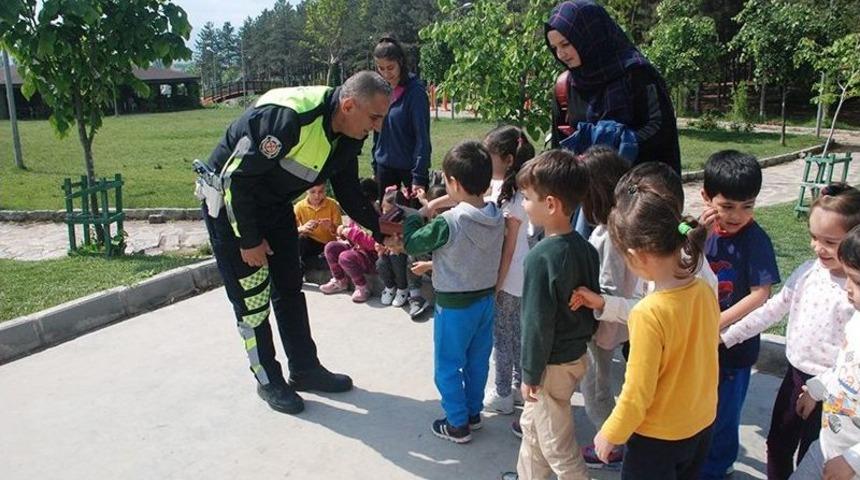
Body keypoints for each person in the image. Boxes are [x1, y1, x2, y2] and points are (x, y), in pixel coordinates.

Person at [201, 71, 391, 415]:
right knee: (252, 300)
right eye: (374, 117)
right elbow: (236, 180)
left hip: (273, 203)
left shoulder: (349, 131)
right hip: (232, 208)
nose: (377, 126)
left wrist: (380, 229)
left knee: (289, 285)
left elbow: (347, 189)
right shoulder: (288, 119)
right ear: (348, 105)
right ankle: (268, 378)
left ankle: (304, 368)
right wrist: (249, 239)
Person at [721, 184, 860, 479]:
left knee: (815, 455)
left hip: (832, 393)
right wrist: (728, 336)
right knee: (778, 444)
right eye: (813, 237)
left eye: (829, 241)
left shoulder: (854, 293)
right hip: (795, 377)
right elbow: (772, 309)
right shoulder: (808, 272)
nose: (817, 247)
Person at [592, 168, 719, 480]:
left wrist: (611, 432)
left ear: (636, 256)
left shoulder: (648, 313)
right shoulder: (703, 289)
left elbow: (637, 392)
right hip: (701, 425)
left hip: (658, 439)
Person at [401, 140, 504, 443]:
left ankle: (457, 424)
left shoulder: (449, 222)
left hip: (454, 307)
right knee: (476, 360)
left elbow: (413, 243)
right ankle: (473, 413)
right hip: (486, 302)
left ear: (453, 183)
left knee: (447, 365)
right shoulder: (496, 214)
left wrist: (413, 216)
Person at [514, 150, 599, 479]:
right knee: (534, 428)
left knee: (558, 447)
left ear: (550, 204)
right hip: (575, 356)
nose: (523, 204)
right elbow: (593, 303)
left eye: (526, 197)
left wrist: (530, 374)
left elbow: (536, 324)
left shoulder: (540, 258)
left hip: (549, 366)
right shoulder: (585, 247)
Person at [698, 151, 781, 479]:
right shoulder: (700, 231)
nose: (737, 215)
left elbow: (761, 294)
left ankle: (717, 469)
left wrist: (718, 322)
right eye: (728, 206)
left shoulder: (755, 240)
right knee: (700, 409)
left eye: (748, 206)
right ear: (707, 197)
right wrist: (698, 239)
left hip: (735, 348)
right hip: (700, 343)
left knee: (724, 415)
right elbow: (682, 268)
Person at [545, 0, 681, 174]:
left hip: (635, 188)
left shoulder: (637, 74)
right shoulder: (565, 86)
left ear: (590, 36)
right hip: (587, 194)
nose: (560, 54)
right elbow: (559, 146)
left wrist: (617, 142)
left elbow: (660, 129)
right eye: (554, 47)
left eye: (566, 44)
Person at [792, 224, 860, 480]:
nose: (847, 288)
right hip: (826, 446)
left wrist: (854, 460)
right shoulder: (857, 321)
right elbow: (845, 367)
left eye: (857, 281)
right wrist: (818, 388)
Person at [482, 126, 536, 416]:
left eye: (489, 157)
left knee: (501, 338)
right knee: (516, 334)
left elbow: (510, 248)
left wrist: (497, 283)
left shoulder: (513, 198)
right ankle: (516, 385)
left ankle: (502, 393)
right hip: (520, 276)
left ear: (508, 159)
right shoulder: (515, 191)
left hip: (510, 276)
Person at [372, 36, 432, 200]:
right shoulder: (380, 91)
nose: (386, 73)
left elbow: (422, 137)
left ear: (401, 62)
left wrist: (419, 177)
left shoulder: (415, 93)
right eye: (381, 68)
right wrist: (375, 165)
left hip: (410, 171)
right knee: (386, 223)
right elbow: (377, 131)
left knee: (415, 222)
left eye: (390, 67)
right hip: (384, 168)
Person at [319, 219, 379, 303]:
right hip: (357, 249)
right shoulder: (354, 216)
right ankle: (340, 281)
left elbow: (373, 244)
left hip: (371, 256)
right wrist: (334, 228)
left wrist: (349, 232)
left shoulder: (373, 217)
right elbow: (347, 236)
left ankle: (362, 287)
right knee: (331, 247)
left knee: (345, 257)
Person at [294, 181, 342, 272]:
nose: (317, 196)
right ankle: (299, 263)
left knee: (327, 260)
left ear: (325, 191)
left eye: (321, 192)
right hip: (309, 243)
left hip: (326, 245)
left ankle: (307, 262)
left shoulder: (332, 204)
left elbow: (340, 232)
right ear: (306, 191)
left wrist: (331, 226)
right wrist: (302, 228)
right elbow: (290, 231)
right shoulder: (299, 206)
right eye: (313, 192)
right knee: (301, 238)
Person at [376, 186, 412, 308]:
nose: (385, 214)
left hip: (404, 255)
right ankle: (389, 286)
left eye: (388, 212)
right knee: (381, 262)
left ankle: (402, 288)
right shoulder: (383, 224)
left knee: (396, 257)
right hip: (389, 253)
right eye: (383, 210)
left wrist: (397, 246)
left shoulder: (407, 223)